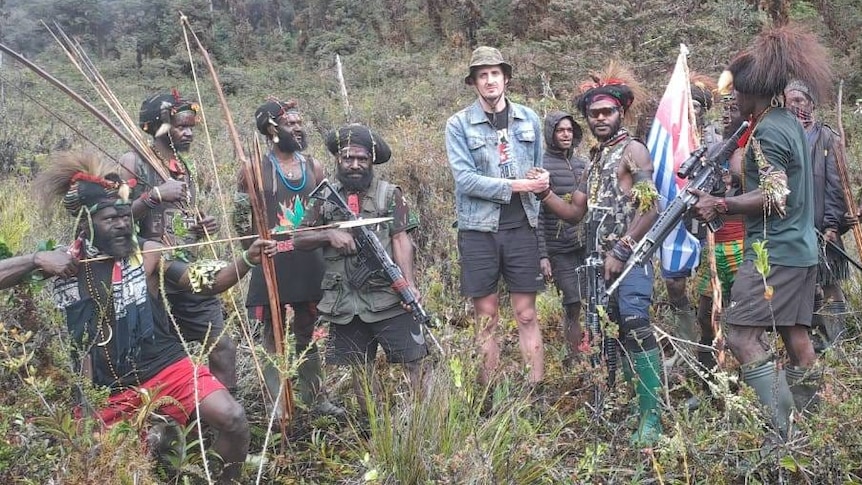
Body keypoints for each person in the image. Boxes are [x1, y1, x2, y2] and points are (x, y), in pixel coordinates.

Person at [0, 152, 276, 483]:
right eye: (109, 219)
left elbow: (207, 281)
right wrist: (34, 259)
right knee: (108, 466)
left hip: (163, 366)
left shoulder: (146, 254)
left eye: (124, 217)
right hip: (101, 387)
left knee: (232, 416)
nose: (121, 225)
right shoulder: (63, 264)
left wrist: (247, 259)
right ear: (85, 224)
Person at [691, 25, 833, 438]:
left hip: (776, 251)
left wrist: (721, 204)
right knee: (796, 338)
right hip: (800, 250)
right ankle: (817, 431)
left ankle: (786, 432)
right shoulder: (786, 121)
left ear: (750, 90)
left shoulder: (767, 129)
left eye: (735, 92)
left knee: (739, 334)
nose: (733, 99)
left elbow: (774, 195)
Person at [536, 62, 664, 446]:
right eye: (593, 114)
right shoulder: (592, 161)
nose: (600, 118)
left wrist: (623, 248)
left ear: (620, 112)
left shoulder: (633, 151)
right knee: (613, 334)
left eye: (607, 112)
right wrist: (543, 193)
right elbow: (576, 211)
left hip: (631, 259)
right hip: (596, 265)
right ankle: (621, 405)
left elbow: (651, 207)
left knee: (637, 327)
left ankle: (651, 417)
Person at [293, 124, 427, 415]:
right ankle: (374, 426)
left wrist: (409, 284)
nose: (354, 164)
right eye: (347, 158)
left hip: (387, 296)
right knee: (359, 368)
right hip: (344, 300)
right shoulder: (323, 198)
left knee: (413, 360)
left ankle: (421, 422)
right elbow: (298, 238)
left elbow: (401, 239)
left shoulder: (391, 195)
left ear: (371, 161)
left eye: (361, 158)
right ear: (338, 161)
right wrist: (328, 235)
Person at [118, 90, 238, 394]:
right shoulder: (134, 162)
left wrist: (200, 227)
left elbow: (182, 219)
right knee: (160, 357)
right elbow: (115, 221)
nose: (187, 133)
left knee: (222, 346)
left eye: (190, 127)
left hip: (186, 273)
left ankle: (222, 418)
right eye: (180, 126)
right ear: (158, 127)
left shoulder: (186, 167)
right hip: (149, 278)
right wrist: (153, 195)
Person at [445, 46, 548, 387]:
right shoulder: (458, 124)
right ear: (474, 82)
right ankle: (490, 392)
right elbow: (466, 179)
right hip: (479, 230)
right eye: (482, 75)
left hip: (522, 228)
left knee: (526, 313)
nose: (490, 81)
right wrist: (518, 184)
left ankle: (535, 389)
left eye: (495, 74)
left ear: (505, 78)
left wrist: (542, 180)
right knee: (486, 316)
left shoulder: (528, 118)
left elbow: (537, 166)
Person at [233, 98, 344, 417]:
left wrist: (325, 239)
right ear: (272, 129)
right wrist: (251, 252)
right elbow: (241, 217)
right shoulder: (254, 168)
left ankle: (314, 396)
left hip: (307, 259)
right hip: (271, 260)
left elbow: (323, 212)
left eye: (299, 122)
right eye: (290, 123)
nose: (298, 128)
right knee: (273, 329)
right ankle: (277, 403)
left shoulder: (314, 167)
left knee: (307, 325)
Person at [690, 83, 746, 405]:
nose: (727, 111)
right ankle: (710, 385)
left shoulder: (750, 145)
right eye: (723, 107)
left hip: (740, 242)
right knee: (705, 316)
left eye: (733, 106)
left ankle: (739, 385)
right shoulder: (712, 146)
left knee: (741, 318)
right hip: (713, 243)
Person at [784, 79, 849, 352]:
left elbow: (836, 185)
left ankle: (839, 339)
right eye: (790, 101)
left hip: (822, 223)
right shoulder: (782, 134)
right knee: (803, 283)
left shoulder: (827, 137)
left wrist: (833, 224)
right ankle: (812, 340)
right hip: (792, 225)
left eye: (800, 101)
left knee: (830, 280)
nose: (795, 106)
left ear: (811, 104)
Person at [538, 111, 588, 366]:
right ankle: (573, 357)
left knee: (594, 300)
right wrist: (543, 255)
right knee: (572, 302)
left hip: (586, 245)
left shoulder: (582, 164)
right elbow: (536, 215)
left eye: (569, 130)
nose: (566, 134)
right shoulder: (542, 166)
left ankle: (594, 352)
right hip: (559, 248)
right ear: (551, 134)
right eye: (560, 130)